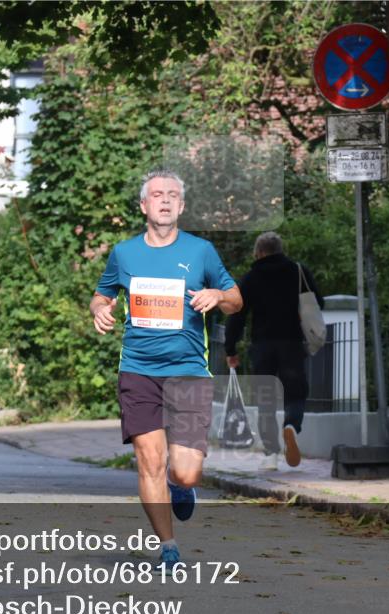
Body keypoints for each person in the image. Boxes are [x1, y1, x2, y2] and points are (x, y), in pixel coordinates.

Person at [91, 169, 242, 573]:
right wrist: (101, 311)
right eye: (157, 194)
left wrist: (218, 294)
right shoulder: (124, 253)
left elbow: (236, 299)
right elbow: (101, 294)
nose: (164, 200)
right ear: (144, 205)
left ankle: (181, 488)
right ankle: (168, 547)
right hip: (138, 370)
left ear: (182, 206)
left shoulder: (201, 252)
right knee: (149, 460)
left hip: (189, 372)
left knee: (185, 472)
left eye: (172, 195)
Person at [224, 231, 324, 471]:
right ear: (281, 249)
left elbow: (237, 315)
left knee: (265, 400)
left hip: (263, 346)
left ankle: (270, 454)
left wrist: (230, 348)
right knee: (296, 392)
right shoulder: (297, 271)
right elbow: (318, 302)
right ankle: (291, 425)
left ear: (258, 252)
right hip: (292, 343)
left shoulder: (250, 278)